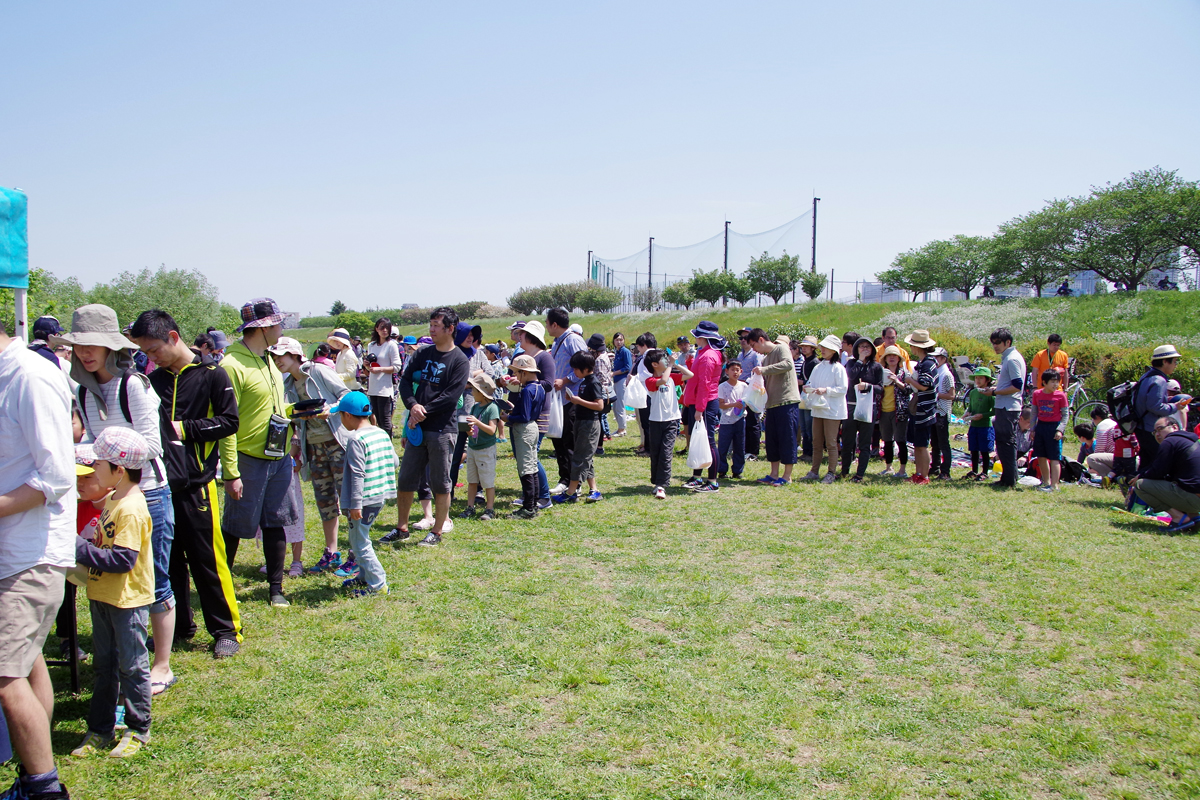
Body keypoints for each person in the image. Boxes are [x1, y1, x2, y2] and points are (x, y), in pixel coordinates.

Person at [52, 305, 179, 693]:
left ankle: (161, 665)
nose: (86, 353)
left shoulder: (134, 386)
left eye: (94, 344)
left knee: (154, 581)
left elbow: (153, 446)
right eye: (78, 346)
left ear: (112, 348)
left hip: (149, 496)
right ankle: (130, 659)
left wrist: (97, 449)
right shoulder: (81, 391)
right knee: (117, 583)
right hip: (109, 499)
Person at [130, 310, 242, 660]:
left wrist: (185, 429)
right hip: (161, 485)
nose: (152, 357)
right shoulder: (153, 381)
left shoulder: (213, 375)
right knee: (168, 561)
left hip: (197, 483)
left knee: (207, 559)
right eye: (145, 353)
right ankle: (179, 627)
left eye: (154, 349)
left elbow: (229, 422)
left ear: (173, 337)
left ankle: (226, 631)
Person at [0, 319, 75, 800]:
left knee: (4, 676)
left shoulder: (28, 375)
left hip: (31, 551)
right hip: (13, 548)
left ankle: (45, 789)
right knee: (25, 664)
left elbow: (57, 475)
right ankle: (34, 775)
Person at [70, 428, 155, 760]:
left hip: (127, 600)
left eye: (99, 464)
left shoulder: (131, 508)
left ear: (119, 470)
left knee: (132, 666)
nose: (93, 469)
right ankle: (100, 729)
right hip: (102, 595)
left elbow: (122, 560)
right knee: (104, 666)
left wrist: (78, 548)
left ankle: (138, 730)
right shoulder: (112, 499)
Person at [219, 298, 303, 608]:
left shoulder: (269, 359)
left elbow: (274, 408)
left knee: (275, 522)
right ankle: (220, 588)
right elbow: (226, 425)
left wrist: (299, 410)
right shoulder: (231, 365)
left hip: (277, 457)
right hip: (248, 460)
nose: (282, 328)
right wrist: (231, 472)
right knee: (234, 527)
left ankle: (275, 589)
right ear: (264, 328)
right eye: (279, 323)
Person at [266, 336, 350, 574]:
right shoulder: (288, 385)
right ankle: (331, 553)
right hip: (313, 448)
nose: (277, 360)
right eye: (274, 356)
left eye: (280, 355)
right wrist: (297, 448)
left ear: (294, 355)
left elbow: (347, 394)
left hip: (337, 443)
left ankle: (355, 552)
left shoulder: (318, 371)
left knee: (348, 498)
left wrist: (331, 409)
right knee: (325, 501)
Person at [394, 308, 471, 547]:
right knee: (406, 479)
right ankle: (401, 528)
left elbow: (450, 397)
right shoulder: (424, 353)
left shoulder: (459, 360)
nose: (432, 329)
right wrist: (412, 405)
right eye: (431, 324)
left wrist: (421, 411)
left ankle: (437, 531)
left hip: (441, 429)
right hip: (417, 428)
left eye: (437, 325)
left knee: (441, 482)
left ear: (450, 329)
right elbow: (405, 381)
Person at [334, 391, 397, 595]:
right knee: (359, 536)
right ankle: (364, 576)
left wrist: (355, 504)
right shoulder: (381, 433)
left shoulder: (355, 438)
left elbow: (357, 474)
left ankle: (378, 584)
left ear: (348, 416)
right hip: (379, 495)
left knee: (359, 542)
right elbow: (395, 461)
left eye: (341, 415)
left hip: (363, 499)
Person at [747, 330, 803, 485]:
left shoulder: (781, 348)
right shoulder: (765, 360)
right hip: (771, 404)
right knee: (772, 440)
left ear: (761, 339)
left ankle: (787, 476)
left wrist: (763, 370)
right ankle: (773, 473)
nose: (754, 349)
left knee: (787, 439)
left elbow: (787, 364)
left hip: (786, 401)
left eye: (754, 345)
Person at [1127, 417, 1200, 532]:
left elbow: (1158, 471)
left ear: (1175, 427)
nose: (1157, 434)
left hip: (1193, 497)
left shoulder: (1170, 441)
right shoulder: (1190, 442)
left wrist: (1139, 477)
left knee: (1141, 485)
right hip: (1195, 496)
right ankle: (1194, 517)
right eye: (1154, 432)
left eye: (1160, 429)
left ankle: (1179, 518)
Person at [553, 351, 605, 503]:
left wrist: (578, 401)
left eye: (576, 369)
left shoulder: (593, 382)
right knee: (585, 457)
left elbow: (599, 405)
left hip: (589, 424)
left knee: (579, 458)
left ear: (585, 368)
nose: (574, 372)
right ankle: (594, 490)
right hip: (581, 422)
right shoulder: (584, 382)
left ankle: (571, 492)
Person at [680, 321, 725, 493]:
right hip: (697, 402)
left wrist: (700, 408)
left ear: (703, 337)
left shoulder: (708, 356)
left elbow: (705, 384)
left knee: (709, 441)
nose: (695, 338)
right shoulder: (703, 352)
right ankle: (697, 476)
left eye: (697, 336)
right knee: (698, 439)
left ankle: (712, 480)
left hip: (705, 403)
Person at [502, 355, 547, 519]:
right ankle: (533, 504)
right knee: (532, 467)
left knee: (526, 469)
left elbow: (524, 416)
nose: (515, 377)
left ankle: (528, 508)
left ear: (524, 372)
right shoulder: (540, 388)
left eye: (517, 373)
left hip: (524, 430)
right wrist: (516, 409)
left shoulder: (527, 390)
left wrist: (508, 418)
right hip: (534, 427)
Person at [546, 309, 586, 493]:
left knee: (569, 441)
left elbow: (584, 367)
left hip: (572, 397)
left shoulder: (573, 339)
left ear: (555, 324)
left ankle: (575, 483)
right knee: (558, 440)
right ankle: (564, 478)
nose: (546, 326)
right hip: (558, 398)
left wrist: (565, 380)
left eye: (547, 323)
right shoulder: (556, 342)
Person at [981, 328, 1026, 489]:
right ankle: (1010, 477)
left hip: (1008, 406)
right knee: (1005, 443)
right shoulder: (1010, 357)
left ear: (1008, 342)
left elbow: (1017, 385)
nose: (995, 346)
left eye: (998, 343)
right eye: (993, 343)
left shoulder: (1012, 359)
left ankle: (1009, 479)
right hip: (1007, 405)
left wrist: (994, 391)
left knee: (1005, 443)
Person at [801, 335, 848, 483]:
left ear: (834, 350)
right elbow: (811, 382)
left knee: (831, 443)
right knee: (816, 441)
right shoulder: (818, 367)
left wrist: (826, 390)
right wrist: (808, 388)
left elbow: (843, 389)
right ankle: (814, 471)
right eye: (823, 347)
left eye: (826, 348)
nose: (823, 350)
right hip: (817, 408)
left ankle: (831, 473)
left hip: (832, 410)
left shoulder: (838, 368)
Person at [644, 349, 691, 499]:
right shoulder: (650, 380)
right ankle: (656, 481)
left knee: (666, 452)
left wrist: (675, 364)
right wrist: (671, 364)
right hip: (655, 421)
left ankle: (662, 485)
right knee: (656, 452)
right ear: (655, 364)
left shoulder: (671, 377)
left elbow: (690, 375)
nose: (666, 360)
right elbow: (662, 381)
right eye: (663, 359)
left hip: (672, 420)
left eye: (666, 359)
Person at [1133, 344, 1189, 466]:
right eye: (1174, 361)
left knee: (1146, 462)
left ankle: (1137, 484)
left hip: (1141, 426)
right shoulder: (1159, 381)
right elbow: (1155, 407)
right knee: (1159, 462)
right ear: (1165, 361)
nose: (1175, 365)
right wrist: (1175, 407)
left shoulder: (1147, 376)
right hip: (1150, 429)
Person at [460, 373, 502, 519]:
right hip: (472, 449)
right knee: (472, 480)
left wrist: (477, 423)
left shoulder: (492, 408)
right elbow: (470, 429)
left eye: (474, 390)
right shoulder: (474, 407)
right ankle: (470, 507)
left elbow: (491, 430)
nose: (471, 392)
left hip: (486, 450)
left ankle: (489, 509)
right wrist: (468, 429)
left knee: (487, 481)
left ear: (482, 393)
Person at [841, 338, 883, 482]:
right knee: (847, 440)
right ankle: (844, 471)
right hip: (852, 405)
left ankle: (859, 474)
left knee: (865, 443)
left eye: (867, 347)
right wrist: (859, 360)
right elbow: (851, 376)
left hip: (868, 407)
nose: (865, 349)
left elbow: (880, 388)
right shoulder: (851, 363)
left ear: (872, 350)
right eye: (861, 347)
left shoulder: (876, 367)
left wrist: (868, 386)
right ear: (856, 349)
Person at [902, 330, 939, 485]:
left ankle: (924, 475)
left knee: (923, 445)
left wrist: (909, 380)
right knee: (917, 444)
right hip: (920, 409)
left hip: (926, 409)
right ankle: (918, 473)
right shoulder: (924, 363)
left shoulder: (928, 364)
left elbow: (924, 386)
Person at [1031, 369, 1069, 491]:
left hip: (1054, 427)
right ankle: (1046, 482)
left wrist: (1060, 430)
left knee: (1054, 457)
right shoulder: (1037, 394)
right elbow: (1034, 412)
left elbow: (1065, 415)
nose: (1055, 385)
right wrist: (1032, 429)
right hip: (1041, 426)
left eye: (1057, 382)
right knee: (1041, 456)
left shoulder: (1061, 395)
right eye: (1052, 382)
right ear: (1044, 382)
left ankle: (1054, 485)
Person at [878, 345, 912, 478]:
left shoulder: (904, 373)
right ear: (885, 359)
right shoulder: (881, 373)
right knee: (887, 440)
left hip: (899, 412)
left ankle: (902, 470)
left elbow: (909, 390)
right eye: (889, 356)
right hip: (884, 411)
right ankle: (888, 467)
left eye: (894, 356)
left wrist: (897, 381)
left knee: (901, 440)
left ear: (899, 359)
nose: (892, 358)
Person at [365, 317, 402, 438]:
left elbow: (397, 366)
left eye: (387, 328)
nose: (384, 330)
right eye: (382, 327)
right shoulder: (371, 345)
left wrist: (380, 369)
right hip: (373, 387)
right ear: (376, 329)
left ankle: (388, 447)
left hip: (385, 388)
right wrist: (366, 365)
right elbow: (369, 365)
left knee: (385, 421)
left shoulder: (391, 345)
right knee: (377, 418)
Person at [734, 329, 763, 460]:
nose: (743, 340)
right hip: (741, 391)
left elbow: (758, 374)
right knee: (743, 420)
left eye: (746, 338)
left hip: (752, 391)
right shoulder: (740, 355)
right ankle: (745, 448)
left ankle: (753, 451)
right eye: (741, 338)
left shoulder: (756, 355)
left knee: (752, 421)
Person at [963, 367, 996, 480]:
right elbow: (971, 407)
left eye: (981, 378)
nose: (978, 380)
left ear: (987, 380)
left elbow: (995, 410)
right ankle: (974, 470)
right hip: (973, 426)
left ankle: (985, 472)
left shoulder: (990, 394)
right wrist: (968, 413)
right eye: (976, 378)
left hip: (985, 426)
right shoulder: (972, 393)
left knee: (984, 450)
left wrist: (983, 415)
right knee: (973, 449)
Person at [716, 361, 747, 479]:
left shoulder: (744, 386)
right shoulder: (722, 387)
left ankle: (737, 470)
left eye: (737, 370)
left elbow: (748, 401)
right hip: (726, 420)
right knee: (723, 446)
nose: (735, 372)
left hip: (740, 419)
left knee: (740, 446)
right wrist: (734, 404)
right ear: (727, 371)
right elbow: (721, 405)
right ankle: (722, 470)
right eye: (732, 369)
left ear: (741, 372)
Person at [929, 348, 955, 480]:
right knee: (934, 442)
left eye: (937, 357)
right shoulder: (937, 371)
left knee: (944, 442)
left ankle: (946, 471)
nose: (935, 360)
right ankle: (935, 466)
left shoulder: (947, 374)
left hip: (942, 412)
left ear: (944, 359)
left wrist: (936, 394)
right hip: (935, 411)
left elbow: (952, 395)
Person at [793, 336, 819, 461]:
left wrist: (801, 382)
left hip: (810, 396)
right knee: (803, 426)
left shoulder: (815, 362)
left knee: (809, 426)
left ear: (813, 348)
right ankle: (806, 451)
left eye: (806, 346)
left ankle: (811, 453)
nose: (803, 348)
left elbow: (813, 381)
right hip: (803, 396)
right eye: (802, 346)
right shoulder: (806, 361)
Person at [587, 334, 614, 452]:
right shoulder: (603, 356)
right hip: (601, 391)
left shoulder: (600, 359)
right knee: (599, 419)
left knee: (598, 419)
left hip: (600, 392)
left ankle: (599, 446)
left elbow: (602, 379)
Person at [610, 333, 632, 436]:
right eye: (617, 340)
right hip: (616, 380)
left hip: (622, 379)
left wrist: (614, 373)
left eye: (621, 340)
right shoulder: (617, 352)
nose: (619, 342)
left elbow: (628, 367)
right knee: (615, 406)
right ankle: (620, 427)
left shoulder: (625, 351)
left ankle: (622, 429)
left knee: (620, 405)